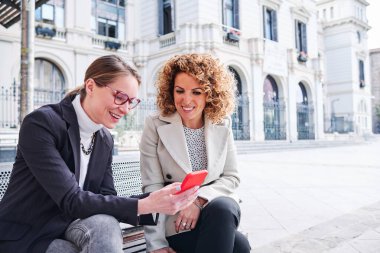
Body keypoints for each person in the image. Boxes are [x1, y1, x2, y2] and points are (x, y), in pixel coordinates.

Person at [0, 55, 198, 253]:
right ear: (91, 86)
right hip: (29, 234)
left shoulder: (104, 138)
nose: (126, 109)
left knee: (106, 224)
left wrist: (159, 199)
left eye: (131, 101)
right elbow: (72, 199)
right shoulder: (42, 124)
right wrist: (146, 204)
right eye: (120, 97)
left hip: (71, 225)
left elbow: (106, 197)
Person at [140, 53, 251, 253]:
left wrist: (198, 200)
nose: (186, 100)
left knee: (222, 208)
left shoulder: (222, 123)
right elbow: (153, 188)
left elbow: (231, 177)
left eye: (197, 92)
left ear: (210, 94)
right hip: (178, 222)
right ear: (170, 91)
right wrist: (156, 245)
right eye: (180, 91)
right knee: (240, 246)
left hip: (216, 208)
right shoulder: (155, 125)